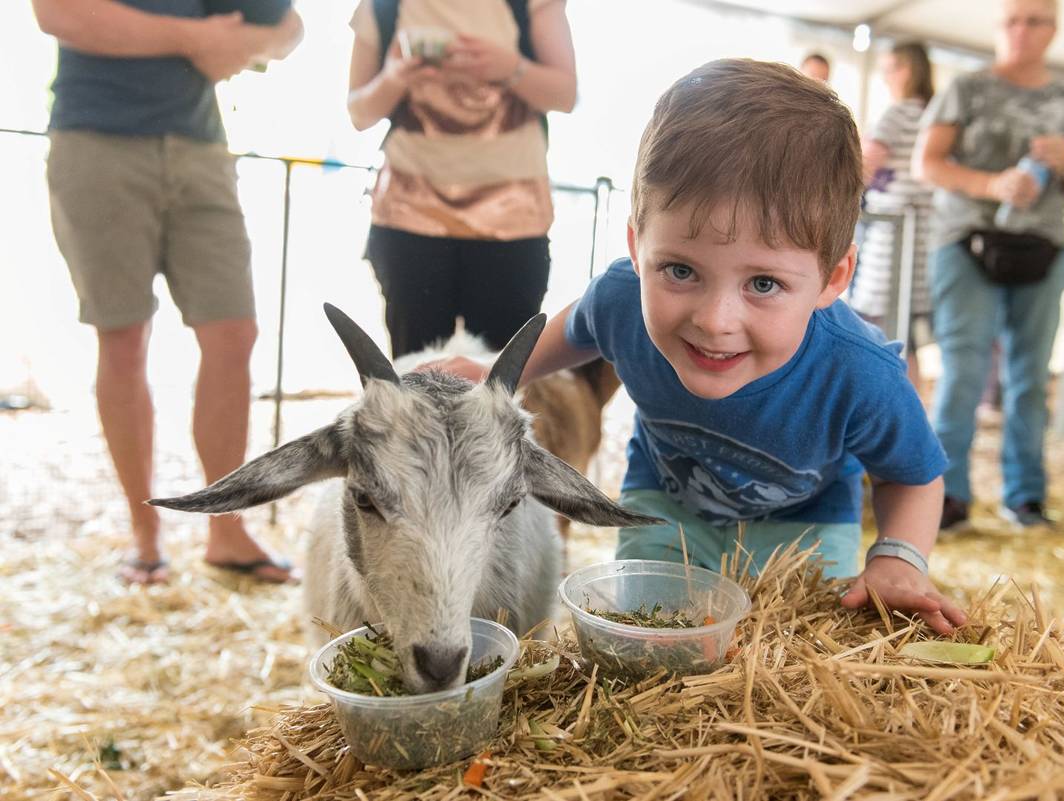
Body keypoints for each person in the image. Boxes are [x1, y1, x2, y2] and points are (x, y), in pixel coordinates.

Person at [430, 59, 966, 635]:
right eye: (680, 270)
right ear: (638, 248)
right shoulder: (620, 297)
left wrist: (898, 559)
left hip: (804, 528)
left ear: (833, 280)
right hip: (666, 506)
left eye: (764, 284)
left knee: (799, 653)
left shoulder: (861, 373)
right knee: (652, 644)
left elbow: (912, 476)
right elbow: (577, 330)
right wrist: (497, 375)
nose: (714, 320)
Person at [33, 0, 304, 584]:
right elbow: (56, 13)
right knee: (124, 337)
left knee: (234, 333)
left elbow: (288, 28)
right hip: (95, 143)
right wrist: (197, 37)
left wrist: (238, 46)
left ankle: (226, 530)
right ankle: (146, 535)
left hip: (202, 147)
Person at [912, 0, 1064, 531]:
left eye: (1034, 20)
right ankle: (946, 497)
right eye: (1012, 19)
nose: (1022, 31)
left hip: (1042, 248)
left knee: (1030, 378)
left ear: (1053, 30)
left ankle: (1026, 497)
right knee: (963, 371)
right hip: (967, 243)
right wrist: (991, 185)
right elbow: (928, 162)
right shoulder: (965, 88)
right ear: (998, 28)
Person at [346, 0, 577, 357]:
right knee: (414, 376)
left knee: (500, 380)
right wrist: (395, 77)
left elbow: (564, 95)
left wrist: (510, 67)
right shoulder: (383, 6)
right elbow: (359, 113)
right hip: (408, 216)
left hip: (513, 222)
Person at [849, 41, 935, 386]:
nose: (885, 79)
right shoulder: (934, 114)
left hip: (892, 238)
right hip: (923, 234)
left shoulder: (898, 113)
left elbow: (862, 166)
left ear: (907, 70)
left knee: (881, 328)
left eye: (889, 70)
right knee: (903, 334)